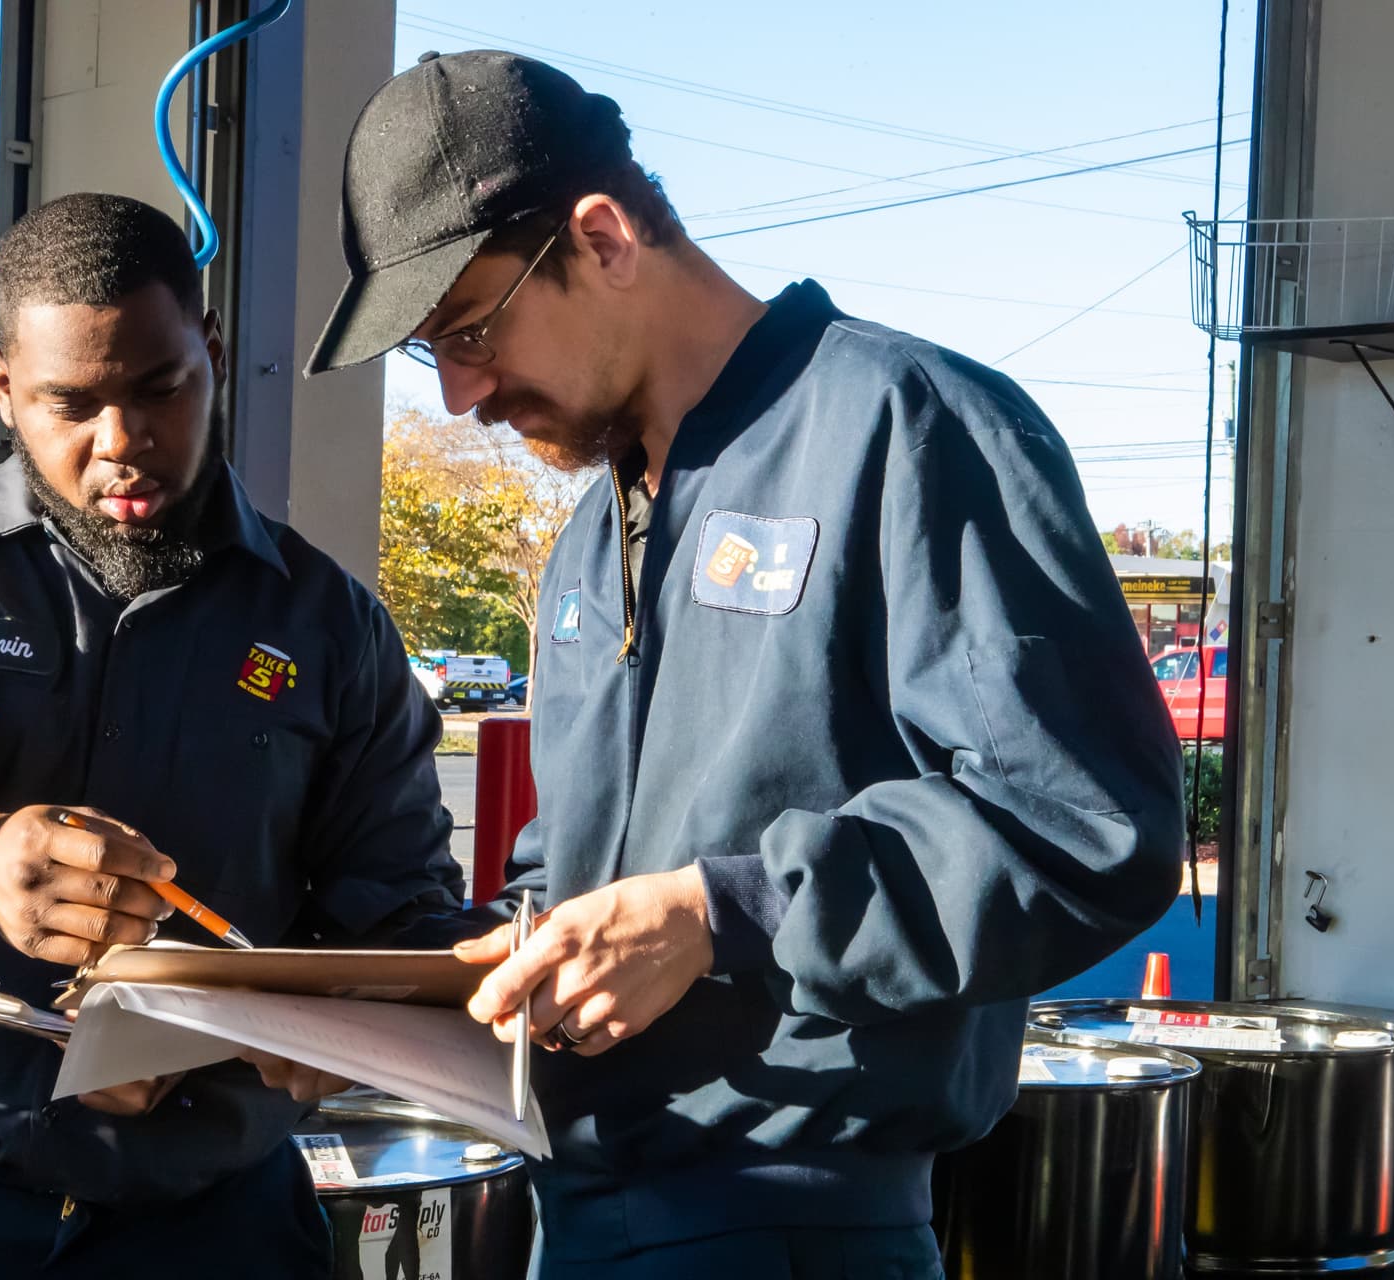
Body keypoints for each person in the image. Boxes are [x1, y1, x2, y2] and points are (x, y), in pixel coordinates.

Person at [307, 50, 1185, 1279]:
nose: (461, 395)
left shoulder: (910, 426)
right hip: (579, 1210)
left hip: (802, 1218)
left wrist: (725, 913)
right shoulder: (584, 542)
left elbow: (1084, 820)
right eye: (431, 356)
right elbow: (586, 872)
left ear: (602, 236)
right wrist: (429, 980)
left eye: (469, 329)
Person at [0, 191, 461, 1279]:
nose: (120, 442)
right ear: (0, 383)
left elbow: (400, 904)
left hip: (216, 1230)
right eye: (68, 403)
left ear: (210, 350)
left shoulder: (329, 626)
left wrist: (331, 1018)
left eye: (159, 388)